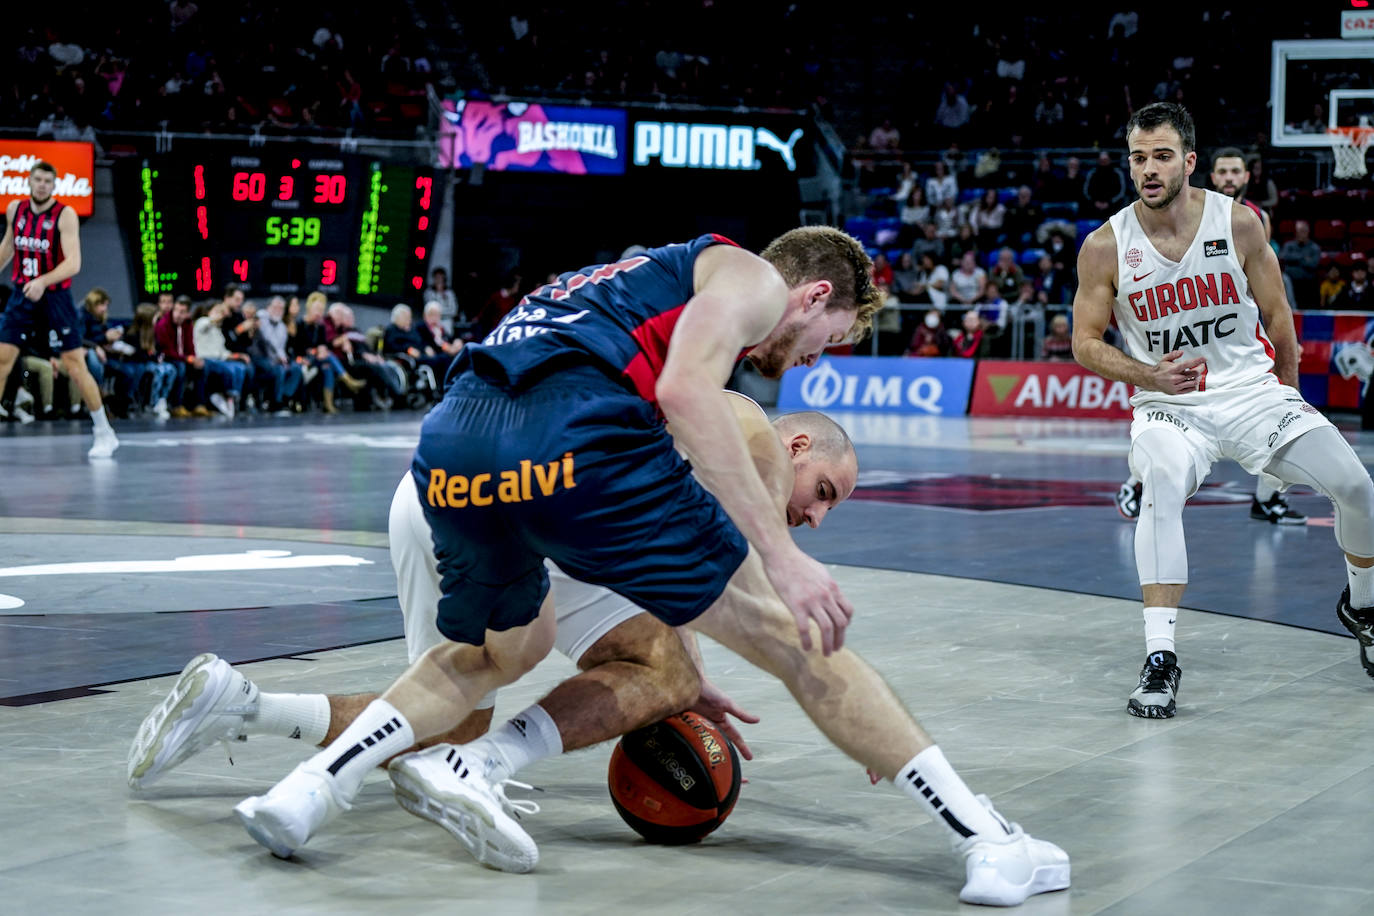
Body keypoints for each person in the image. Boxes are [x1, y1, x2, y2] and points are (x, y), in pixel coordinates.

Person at [225, 229, 1066, 905]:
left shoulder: (626, 276)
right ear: (811, 295)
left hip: (456, 435)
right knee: (797, 639)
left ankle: (305, 793)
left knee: (497, 656)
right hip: (572, 435)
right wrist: (784, 557)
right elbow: (684, 393)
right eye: (827, 339)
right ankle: (991, 843)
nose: (810, 360)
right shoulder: (750, 280)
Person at [133, 395, 1068, 907]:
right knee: (621, 678)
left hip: (445, 484)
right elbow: (777, 633)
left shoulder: (680, 387)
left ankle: (243, 707)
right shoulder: (742, 435)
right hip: (534, 501)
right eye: (823, 489)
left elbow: (673, 591)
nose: (815, 516)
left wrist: (688, 676)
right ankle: (476, 763)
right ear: (794, 444)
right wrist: (865, 727)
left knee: (465, 697)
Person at [1071, 102, 1374, 720]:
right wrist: (1146, 373)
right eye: (1137, 157)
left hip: (1252, 394)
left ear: (1188, 161)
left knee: (1358, 488)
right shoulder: (1105, 246)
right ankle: (1161, 656)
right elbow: (1084, 342)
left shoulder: (1237, 224)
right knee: (1157, 486)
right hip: (1169, 403)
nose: (1148, 169)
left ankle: (1363, 606)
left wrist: (1287, 392)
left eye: (1160, 156)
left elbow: (1280, 318)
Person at [1114, 146, 1308, 525]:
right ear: (1212, 175)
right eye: (1224, 171)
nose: (1231, 177)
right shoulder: (1189, 214)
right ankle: (1136, 482)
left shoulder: (1253, 219)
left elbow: (1264, 288)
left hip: (1235, 334)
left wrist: (1282, 333)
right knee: (1167, 425)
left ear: (1247, 176)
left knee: (1276, 419)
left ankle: (1268, 499)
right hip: (1183, 331)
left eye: (1237, 171)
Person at [0, 160, 118, 456]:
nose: (42, 185)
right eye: (37, 179)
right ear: (29, 180)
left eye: (47, 181)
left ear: (53, 185)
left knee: (76, 366)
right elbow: (8, 246)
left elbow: (73, 262)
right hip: (22, 294)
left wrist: (43, 280)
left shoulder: (65, 215)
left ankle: (104, 431)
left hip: (55, 297)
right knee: (2, 360)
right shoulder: (16, 209)